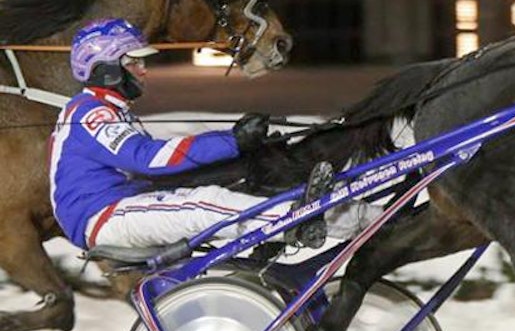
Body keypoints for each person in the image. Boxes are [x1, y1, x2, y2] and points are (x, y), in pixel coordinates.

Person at [49, 18, 374, 253]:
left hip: (122, 203)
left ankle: (369, 221)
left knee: (232, 185)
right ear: (106, 68)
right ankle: (298, 219)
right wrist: (234, 140)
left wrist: (243, 148)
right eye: (133, 63)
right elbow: (151, 159)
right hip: (101, 216)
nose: (144, 70)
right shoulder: (90, 112)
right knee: (205, 204)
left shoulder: (113, 109)